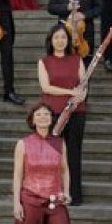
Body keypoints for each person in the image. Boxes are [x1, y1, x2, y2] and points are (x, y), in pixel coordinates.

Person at [36, 25, 89, 206]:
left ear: (68, 41)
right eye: (56, 38)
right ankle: (51, 193)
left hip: (76, 111)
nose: (60, 41)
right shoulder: (44, 61)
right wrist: (70, 92)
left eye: (63, 38)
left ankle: (74, 195)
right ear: (51, 40)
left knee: (74, 153)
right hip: (53, 113)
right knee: (52, 154)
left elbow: (83, 84)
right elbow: (46, 88)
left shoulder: (77, 59)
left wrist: (81, 94)